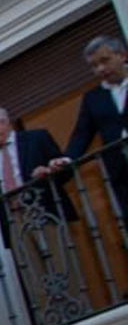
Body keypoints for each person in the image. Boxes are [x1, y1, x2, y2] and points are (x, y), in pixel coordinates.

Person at [0, 105, 85, 325]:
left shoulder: (36, 138)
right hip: (14, 221)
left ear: (3, 122)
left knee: (63, 266)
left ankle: (78, 317)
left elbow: (65, 171)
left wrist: (49, 170)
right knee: (34, 277)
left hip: (44, 211)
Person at [54, 35, 128, 215]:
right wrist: (66, 159)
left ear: (123, 56)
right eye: (94, 66)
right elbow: (81, 134)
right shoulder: (93, 98)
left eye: (104, 61)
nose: (100, 69)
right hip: (122, 174)